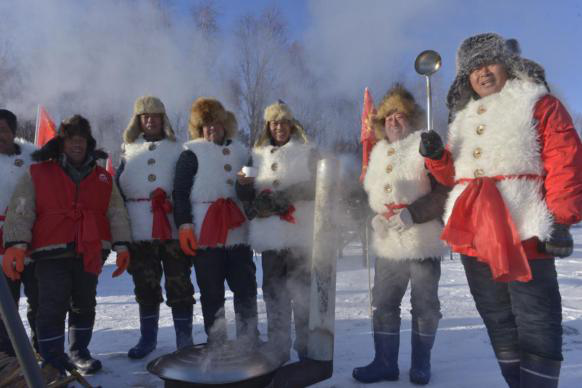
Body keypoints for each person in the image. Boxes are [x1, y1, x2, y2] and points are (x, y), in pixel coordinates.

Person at [419, 33, 582, 388]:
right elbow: (454, 175)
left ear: (507, 64)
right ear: (466, 79)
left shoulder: (537, 102)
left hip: (523, 225)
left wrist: (561, 218)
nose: (482, 72)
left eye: (489, 62)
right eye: (473, 68)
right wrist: (436, 158)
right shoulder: (462, 118)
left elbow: (564, 157)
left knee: (536, 318)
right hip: (474, 232)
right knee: (495, 316)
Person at [1, 114, 132, 376]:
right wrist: (16, 243)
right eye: (71, 139)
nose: (77, 144)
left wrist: (122, 245)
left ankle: (79, 352)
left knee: (85, 302)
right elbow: (22, 208)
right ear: (62, 143)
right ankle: (52, 360)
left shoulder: (102, 177)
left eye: (81, 140)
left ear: (89, 143)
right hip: (50, 249)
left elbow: (115, 211)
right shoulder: (39, 172)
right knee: (51, 304)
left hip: (91, 248)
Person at [352, 85, 448, 385]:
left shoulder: (426, 145)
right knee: (383, 304)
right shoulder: (378, 153)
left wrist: (413, 213)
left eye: (400, 115)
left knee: (426, 307)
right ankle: (384, 363)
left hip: (423, 241)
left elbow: (445, 191)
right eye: (388, 116)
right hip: (389, 245)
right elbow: (374, 195)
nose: (394, 120)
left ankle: (421, 364)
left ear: (411, 119)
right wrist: (376, 219)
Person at [236, 101, 317, 364]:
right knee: (273, 293)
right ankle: (278, 347)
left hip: (298, 234)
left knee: (302, 294)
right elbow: (245, 193)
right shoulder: (255, 155)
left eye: (283, 122)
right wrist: (243, 187)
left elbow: (316, 185)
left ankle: (306, 348)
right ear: (268, 126)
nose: (279, 127)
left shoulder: (307, 151)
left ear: (291, 124)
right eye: (274, 123)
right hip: (270, 236)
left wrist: (280, 199)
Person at [173, 97, 258, 346]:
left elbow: (250, 192)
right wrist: (185, 225)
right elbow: (180, 192)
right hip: (205, 232)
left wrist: (246, 188)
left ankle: (248, 336)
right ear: (200, 128)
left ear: (225, 125)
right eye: (206, 124)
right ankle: (217, 339)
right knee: (211, 292)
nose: (212, 128)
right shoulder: (190, 154)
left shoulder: (243, 153)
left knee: (245, 288)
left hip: (237, 231)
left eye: (216, 123)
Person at [117, 96, 195, 358]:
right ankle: (147, 338)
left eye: (155, 115)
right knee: (145, 285)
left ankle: (184, 339)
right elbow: (117, 190)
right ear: (138, 121)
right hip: (139, 229)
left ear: (164, 119)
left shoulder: (178, 148)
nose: (150, 120)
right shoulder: (128, 150)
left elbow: (186, 188)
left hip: (172, 228)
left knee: (179, 283)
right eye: (144, 116)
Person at [0, 109, 38, 358]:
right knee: (4, 306)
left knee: (41, 301)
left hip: (32, 240)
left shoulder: (33, 158)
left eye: (3, 129)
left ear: (13, 132)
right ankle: (9, 357)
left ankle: (45, 350)